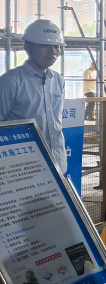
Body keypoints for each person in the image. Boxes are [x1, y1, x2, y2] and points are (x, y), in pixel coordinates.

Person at [0, 19, 67, 175]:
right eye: (45, 45)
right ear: (27, 47)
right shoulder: (11, 81)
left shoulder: (58, 80)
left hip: (57, 164)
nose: (53, 51)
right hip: (23, 169)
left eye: (56, 46)